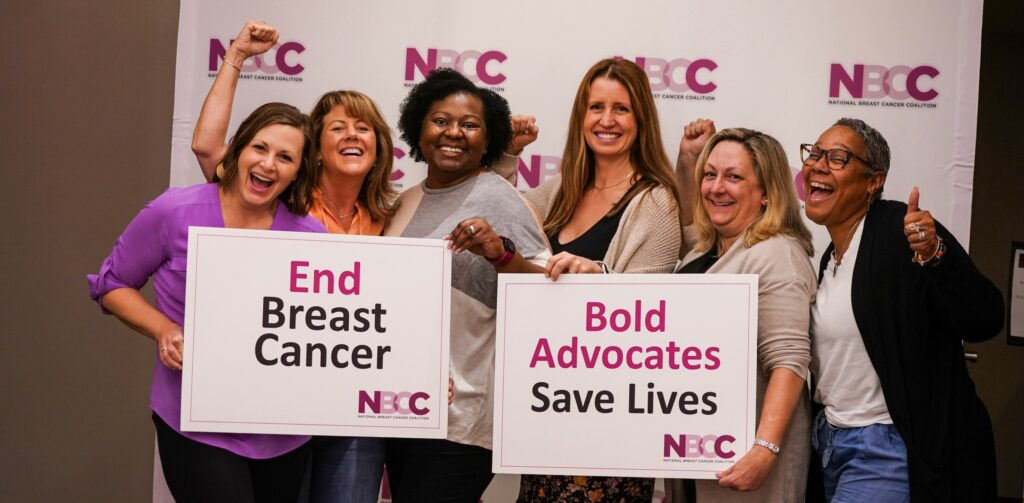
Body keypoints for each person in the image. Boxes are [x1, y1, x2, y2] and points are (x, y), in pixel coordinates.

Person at [190, 21, 400, 502]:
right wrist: (238, 55)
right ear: (315, 149)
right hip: (282, 406)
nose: (353, 134)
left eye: (363, 127)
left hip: (356, 409)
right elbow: (207, 149)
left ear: (378, 146)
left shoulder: (391, 217)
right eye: (338, 126)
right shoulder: (283, 203)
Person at [88, 102, 323, 502]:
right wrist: (164, 329)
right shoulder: (174, 211)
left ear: (299, 170)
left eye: (285, 157)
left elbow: (336, 327)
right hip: (195, 421)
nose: (269, 164)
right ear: (236, 150)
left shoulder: (310, 237)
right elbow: (112, 284)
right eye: (259, 148)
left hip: (284, 433)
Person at [801, 118, 1003, 502]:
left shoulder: (898, 231)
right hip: (831, 443)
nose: (818, 164)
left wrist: (936, 255)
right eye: (814, 153)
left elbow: (985, 316)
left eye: (838, 157)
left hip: (884, 448)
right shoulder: (830, 259)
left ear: (873, 181)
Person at [509, 57, 683, 503]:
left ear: (640, 118)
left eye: (621, 109)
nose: (607, 120)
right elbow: (501, 222)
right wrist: (509, 154)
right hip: (548, 412)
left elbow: (651, 312)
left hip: (611, 423)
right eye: (596, 107)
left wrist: (600, 274)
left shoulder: (655, 200)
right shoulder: (560, 190)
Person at [382, 67, 550, 503]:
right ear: (418, 129)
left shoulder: (497, 196)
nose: (453, 133)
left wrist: (500, 252)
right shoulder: (406, 199)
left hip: (462, 420)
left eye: (470, 125)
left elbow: (547, 297)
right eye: (440, 121)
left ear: (488, 137)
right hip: (403, 408)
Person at [675, 128, 816, 502]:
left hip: (746, 463)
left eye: (734, 177)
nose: (716, 188)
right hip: (696, 456)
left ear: (767, 192)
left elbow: (788, 361)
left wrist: (763, 449)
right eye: (710, 174)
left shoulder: (777, 255)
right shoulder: (705, 251)